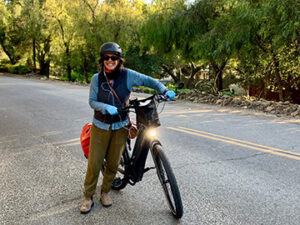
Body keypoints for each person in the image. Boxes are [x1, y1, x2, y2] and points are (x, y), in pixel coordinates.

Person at [80, 42, 175, 214]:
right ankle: (88, 197)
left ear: (119, 60)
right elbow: (92, 102)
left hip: (121, 125)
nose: (110, 61)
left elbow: (148, 80)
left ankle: (105, 192)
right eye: (106, 58)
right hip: (100, 125)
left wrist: (164, 89)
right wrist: (104, 107)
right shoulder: (97, 78)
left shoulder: (128, 75)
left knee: (113, 163)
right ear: (102, 60)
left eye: (114, 58)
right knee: (94, 163)